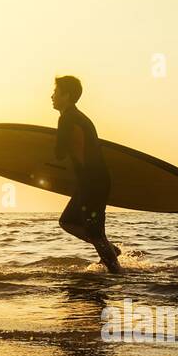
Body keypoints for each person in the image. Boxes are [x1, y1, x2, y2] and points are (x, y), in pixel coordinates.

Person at [51, 76, 122, 272]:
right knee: (73, 223)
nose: (52, 96)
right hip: (94, 181)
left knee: (75, 224)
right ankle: (109, 251)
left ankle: (117, 272)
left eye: (55, 92)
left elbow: (59, 153)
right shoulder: (80, 117)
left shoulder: (67, 118)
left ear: (66, 95)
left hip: (92, 182)